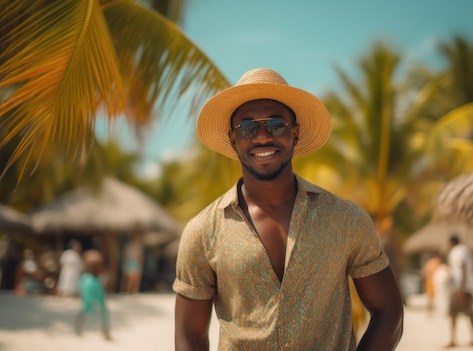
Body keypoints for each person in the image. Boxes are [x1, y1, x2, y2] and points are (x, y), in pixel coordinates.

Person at [173, 68, 404, 350]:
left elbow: (389, 313)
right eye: (247, 127)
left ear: (295, 133)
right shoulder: (203, 230)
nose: (261, 137)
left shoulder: (346, 219)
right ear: (234, 139)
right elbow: (189, 334)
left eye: (275, 124)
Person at [445, 234, 473, 347]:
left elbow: (462, 267)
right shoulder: (466, 250)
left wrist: (460, 288)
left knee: (454, 313)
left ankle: (453, 339)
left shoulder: (457, 251)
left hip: (461, 287)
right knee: (470, 314)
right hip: (467, 286)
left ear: (452, 243)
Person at [75, 249, 111, 341]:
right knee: (101, 308)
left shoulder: (89, 259)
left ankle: (79, 328)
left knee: (86, 307)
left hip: (90, 283)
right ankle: (105, 330)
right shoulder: (96, 258)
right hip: (93, 284)